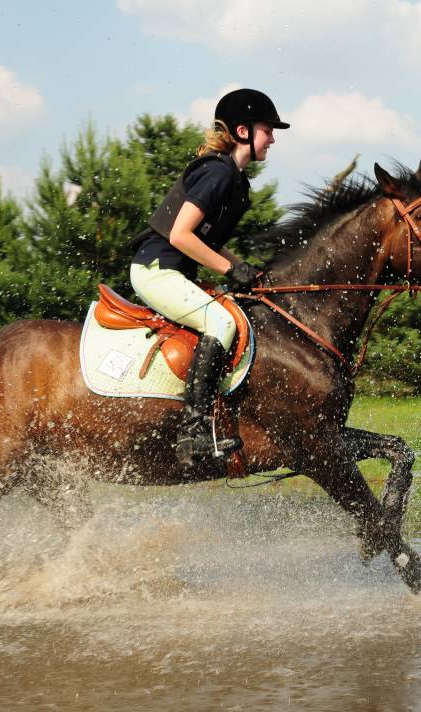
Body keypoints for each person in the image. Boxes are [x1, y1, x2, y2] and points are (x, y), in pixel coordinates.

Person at [129, 88, 290, 468]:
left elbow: (206, 241)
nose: (273, 138)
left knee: (237, 315)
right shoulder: (217, 172)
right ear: (243, 130)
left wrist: (245, 268)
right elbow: (179, 235)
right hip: (155, 271)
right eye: (268, 129)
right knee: (219, 322)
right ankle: (194, 431)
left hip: (174, 272)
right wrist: (230, 269)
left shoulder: (235, 181)